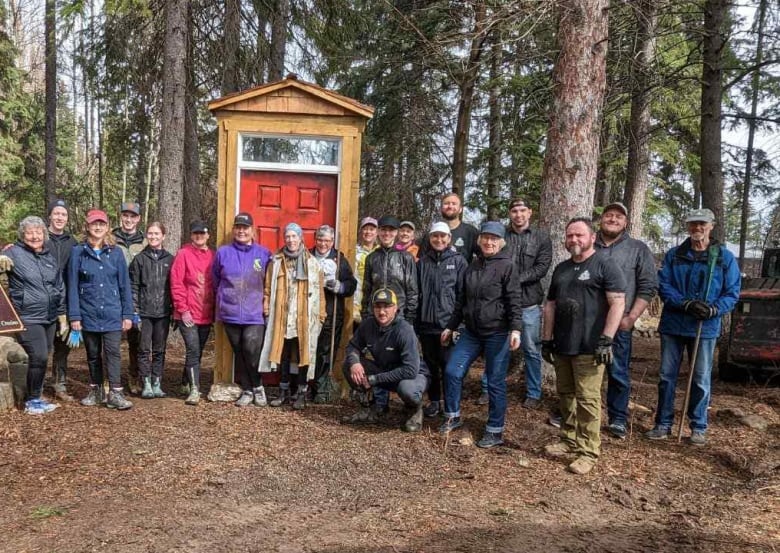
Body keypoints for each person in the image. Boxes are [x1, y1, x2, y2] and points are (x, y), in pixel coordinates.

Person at [645, 208, 740, 446]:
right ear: (688, 227)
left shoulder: (723, 257)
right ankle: (663, 423)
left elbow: (732, 292)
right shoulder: (675, 255)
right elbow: (663, 285)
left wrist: (713, 309)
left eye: (702, 224)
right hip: (674, 325)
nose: (697, 228)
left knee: (700, 378)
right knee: (667, 376)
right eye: (693, 224)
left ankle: (698, 426)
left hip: (705, 327)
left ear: (711, 226)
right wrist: (684, 303)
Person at [542, 217, 626, 475]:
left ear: (592, 237)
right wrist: (546, 339)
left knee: (588, 400)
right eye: (570, 236)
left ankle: (588, 451)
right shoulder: (562, 269)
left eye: (579, 235)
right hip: (563, 344)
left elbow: (618, 303)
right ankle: (568, 440)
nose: (574, 240)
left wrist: (606, 339)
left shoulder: (605, 264)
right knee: (565, 395)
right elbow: (551, 306)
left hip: (590, 347)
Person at [439, 221, 523, 448]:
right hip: (471, 332)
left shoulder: (507, 266)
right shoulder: (472, 266)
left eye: (494, 239)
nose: (489, 242)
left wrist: (516, 329)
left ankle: (495, 429)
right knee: (452, 371)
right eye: (485, 238)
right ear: (479, 241)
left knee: (495, 381)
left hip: (497, 332)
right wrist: (450, 326)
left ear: (501, 242)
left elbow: (514, 300)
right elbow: (461, 301)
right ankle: (453, 415)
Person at [480, 198, 551, 409]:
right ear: (510, 214)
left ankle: (533, 392)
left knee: (530, 349)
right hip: (501, 303)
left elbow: (541, 268)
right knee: (494, 347)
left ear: (530, 212)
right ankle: (487, 389)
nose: (518, 215)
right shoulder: (502, 236)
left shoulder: (541, 237)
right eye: (514, 211)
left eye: (522, 210)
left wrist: (512, 278)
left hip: (528, 303)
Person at [595, 202, 658, 439]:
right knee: (581, 368)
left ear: (626, 222)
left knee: (618, 371)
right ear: (601, 219)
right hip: (588, 322)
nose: (613, 219)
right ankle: (574, 413)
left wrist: (632, 317)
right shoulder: (589, 245)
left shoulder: (638, 249)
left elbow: (648, 286)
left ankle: (618, 418)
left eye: (618, 216)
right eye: (608, 215)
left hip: (620, 323)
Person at [69, 209, 135, 410]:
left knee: (113, 352)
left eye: (101, 224)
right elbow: (72, 285)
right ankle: (96, 389)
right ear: (87, 226)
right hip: (88, 312)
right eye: (93, 224)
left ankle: (115, 392)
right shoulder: (78, 252)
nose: (97, 227)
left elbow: (124, 285)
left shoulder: (115, 253)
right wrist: (74, 316)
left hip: (112, 312)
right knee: (93, 353)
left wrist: (127, 314)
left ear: (107, 227)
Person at [0, 216, 66, 414]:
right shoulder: (13, 252)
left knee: (43, 356)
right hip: (27, 316)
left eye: (38, 232)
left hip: (49, 316)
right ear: (22, 235)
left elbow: (58, 286)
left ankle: (34, 396)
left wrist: (62, 314)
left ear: (44, 235)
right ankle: (32, 401)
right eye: (29, 232)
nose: (34, 236)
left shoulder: (48, 257)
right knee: (38, 356)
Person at [259, 223, 326, 410]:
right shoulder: (276, 261)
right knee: (284, 354)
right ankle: (283, 391)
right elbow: (267, 288)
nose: (290, 240)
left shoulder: (312, 264)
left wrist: (321, 315)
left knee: (304, 354)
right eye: (287, 236)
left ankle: (302, 393)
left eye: (294, 236)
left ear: (300, 238)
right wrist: (266, 307)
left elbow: (320, 292)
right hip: (283, 315)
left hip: (303, 316)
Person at [343, 288, 429, 432]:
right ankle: (369, 408)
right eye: (378, 307)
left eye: (387, 307)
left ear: (395, 308)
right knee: (348, 365)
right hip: (385, 371)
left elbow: (410, 370)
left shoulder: (404, 330)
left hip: (412, 376)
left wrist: (376, 379)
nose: (382, 312)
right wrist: (355, 362)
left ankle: (414, 410)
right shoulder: (368, 325)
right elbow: (352, 346)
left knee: (407, 389)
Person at [213, 212, 272, 407]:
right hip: (230, 311)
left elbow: (271, 282)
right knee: (239, 352)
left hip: (254, 312)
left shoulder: (264, 254)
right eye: (238, 227)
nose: (241, 231)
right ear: (233, 230)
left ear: (252, 230)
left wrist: (266, 301)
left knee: (250, 349)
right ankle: (247, 390)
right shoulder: (223, 252)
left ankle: (258, 386)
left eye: (245, 227)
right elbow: (215, 280)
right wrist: (224, 298)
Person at [416, 221, 467, 418]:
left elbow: (462, 295)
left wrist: (456, 325)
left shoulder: (459, 261)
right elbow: (417, 293)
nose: (439, 240)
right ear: (430, 239)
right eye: (435, 236)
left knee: (449, 367)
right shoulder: (423, 263)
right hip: (426, 325)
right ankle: (434, 400)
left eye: (442, 236)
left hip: (448, 325)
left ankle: (451, 403)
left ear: (449, 239)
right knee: (430, 366)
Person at [310, 225, 357, 403]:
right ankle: (304, 385)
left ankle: (321, 387)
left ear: (332, 242)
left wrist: (340, 286)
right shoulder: (307, 256)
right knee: (308, 350)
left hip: (331, 313)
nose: (323, 244)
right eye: (320, 240)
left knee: (325, 351)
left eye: (327, 240)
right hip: (309, 313)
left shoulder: (339, 259)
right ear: (315, 239)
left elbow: (351, 285)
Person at [170, 220, 215, 406]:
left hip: (205, 312)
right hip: (186, 313)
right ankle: (195, 389)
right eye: (196, 234)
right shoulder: (183, 254)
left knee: (198, 351)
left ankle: (184, 382)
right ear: (191, 236)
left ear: (208, 236)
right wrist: (182, 309)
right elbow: (176, 282)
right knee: (193, 348)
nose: (199, 237)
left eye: (202, 234)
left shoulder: (213, 255)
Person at [129, 222, 173, 400]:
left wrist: (174, 310)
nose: (153, 237)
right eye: (150, 234)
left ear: (163, 236)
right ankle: (145, 382)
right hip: (145, 312)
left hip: (163, 312)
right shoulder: (139, 259)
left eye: (157, 234)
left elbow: (174, 287)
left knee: (159, 349)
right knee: (143, 349)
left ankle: (157, 382)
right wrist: (134, 311)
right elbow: (133, 286)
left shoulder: (170, 259)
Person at [45, 199, 78, 402]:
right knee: (41, 347)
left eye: (63, 214)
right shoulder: (40, 237)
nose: (59, 217)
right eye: (56, 213)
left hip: (65, 302)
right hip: (43, 301)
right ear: (50, 215)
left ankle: (60, 384)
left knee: (62, 346)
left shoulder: (72, 243)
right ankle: (36, 385)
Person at [112, 201, 145, 394]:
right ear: (121, 217)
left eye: (133, 216)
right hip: (112, 294)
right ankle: (109, 378)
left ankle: (134, 376)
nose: (129, 220)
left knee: (136, 340)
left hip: (136, 296)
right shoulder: (110, 238)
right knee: (111, 339)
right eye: (126, 215)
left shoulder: (144, 241)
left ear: (138, 219)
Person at [360, 215, 418, 323]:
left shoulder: (406, 257)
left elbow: (412, 291)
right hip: (376, 315)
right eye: (383, 230)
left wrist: (409, 317)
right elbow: (367, 289)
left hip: (399, 315)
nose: (387, 234)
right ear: (378, 231)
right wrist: (365, 314)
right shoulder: (371, 258)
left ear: (396, 232)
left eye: (391, 230)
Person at [438, 193, 479, 263]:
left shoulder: (471, 232)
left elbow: (484, 257)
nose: (450, 206)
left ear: (460, 209)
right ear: (441, 208)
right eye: (446, 203)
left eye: (454, 204)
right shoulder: (433, 233)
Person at [353, 217, 378, 325]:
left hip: (377, 302)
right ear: (361, 231)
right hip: (357, 301)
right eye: (365, 229)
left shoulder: (380, 252)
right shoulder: (354, 251)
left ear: (377, 232)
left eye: (371, 229)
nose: (368, 232)